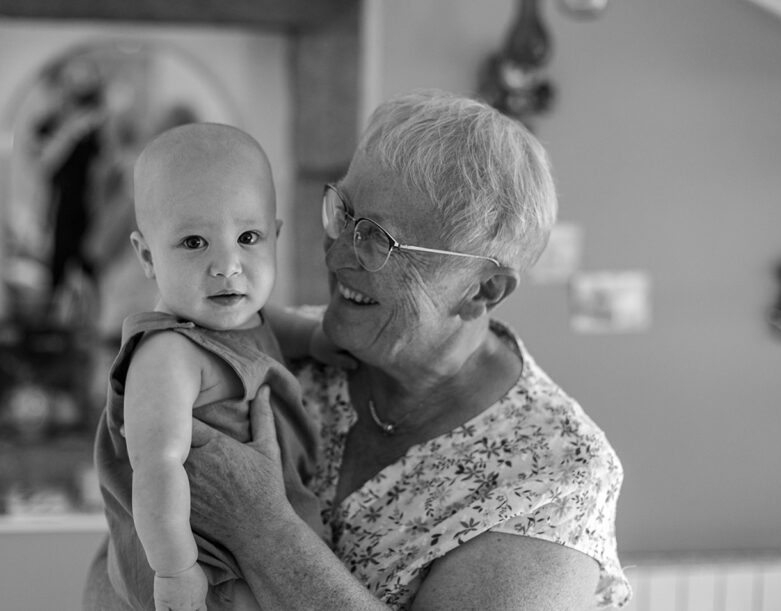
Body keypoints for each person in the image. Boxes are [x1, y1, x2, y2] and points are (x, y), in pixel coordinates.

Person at [85, 89, 631, 609]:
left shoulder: (554, 477)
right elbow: (119, 555)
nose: (336, 253)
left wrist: (261, 528)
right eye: (342, 213)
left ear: (480, 290)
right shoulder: (264, 340)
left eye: (380, 240)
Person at [91, 123, 345, 611]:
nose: (228, 265)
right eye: (193, 243)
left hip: (253, 542)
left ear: (275, 236)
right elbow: (155, 467)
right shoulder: (168, 354)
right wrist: (176, 570)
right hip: (204, 561)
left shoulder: (245, 315)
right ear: (147, 255)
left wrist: (316, 339)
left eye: (248, 236)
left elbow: (277, 325)